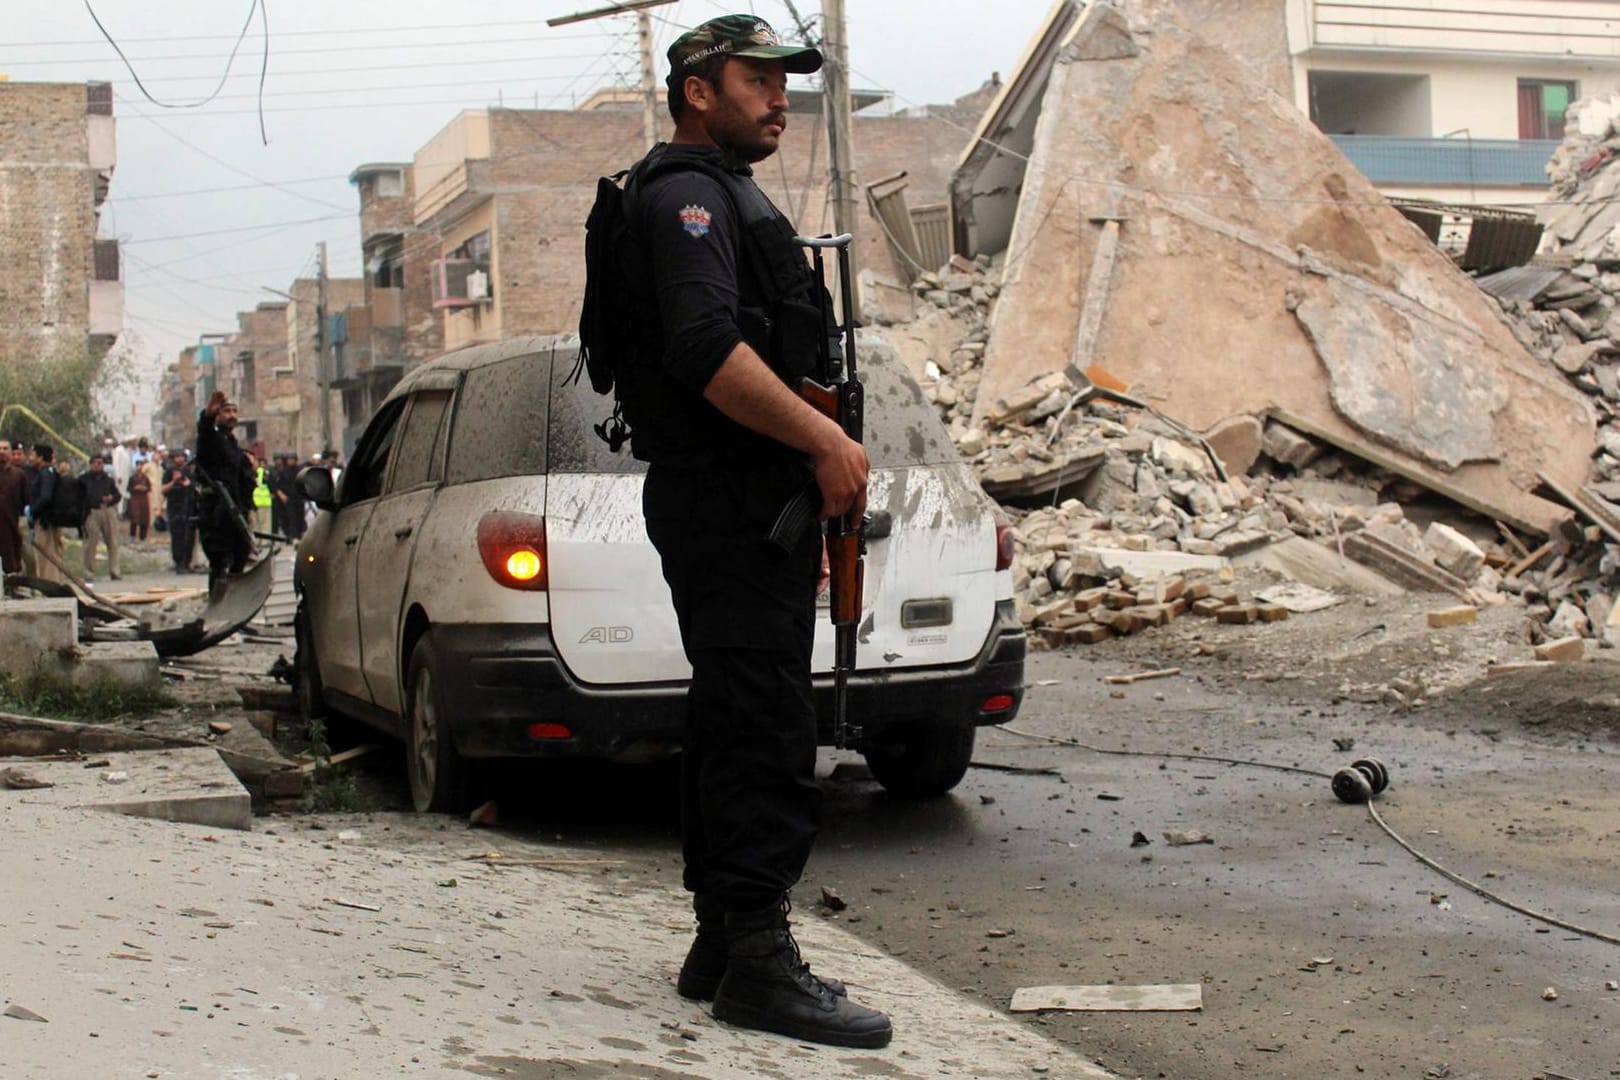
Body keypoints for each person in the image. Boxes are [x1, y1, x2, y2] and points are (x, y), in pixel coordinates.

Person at [614, 15, 886, 1049]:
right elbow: (702, 346)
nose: (779, 97)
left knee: (733, 715)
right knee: (767, 724)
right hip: (731, 502)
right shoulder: (688, 195)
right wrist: (822, 439)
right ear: (697, 89)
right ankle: (761, 959)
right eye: (756, 78)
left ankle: (722, 941)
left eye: (786, 80)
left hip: (734, 502)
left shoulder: (714, 190)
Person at [194, 392, 255, 593]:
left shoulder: (233, 445)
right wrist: (207, 415)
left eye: (234, 411)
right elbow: (204, 431)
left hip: (236, 512)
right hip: (217, 514)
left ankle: (232, 609)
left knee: (240, 558)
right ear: (218, 416)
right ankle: (217, 607)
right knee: (220, 562)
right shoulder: (211, 439)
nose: (231, 415)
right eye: (226, 411)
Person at [25, 446, 76, 585]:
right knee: (53, 555)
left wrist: (33, 510)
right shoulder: (51, 472)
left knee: (46, 558)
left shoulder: (46, 473)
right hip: (51, 520)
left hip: (45, 522)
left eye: (33, 455)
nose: (30, 458)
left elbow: (45, 497)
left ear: (40, 458)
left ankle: (49, 586)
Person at [79, 453, 122, 582]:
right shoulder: (83, 479)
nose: (99, 465)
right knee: (91, 543)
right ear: (91, 464)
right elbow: (79, 497)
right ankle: (88, 572)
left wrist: (111, 498)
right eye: (96, 463)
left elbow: (117, 495)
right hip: (92, 511)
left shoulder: (108, 479)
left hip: (107, 510)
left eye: (101, 463)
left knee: (113, 542)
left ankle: (115, 570)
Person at [160, 447, 198, 573]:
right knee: (178, 537)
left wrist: (187, 483)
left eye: (181, 456)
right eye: (177, 456)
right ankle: (179, 563)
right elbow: (163, 490)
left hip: (188, 507)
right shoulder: (169, 472)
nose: (180, 459)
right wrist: (174, 481)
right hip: (175, 508)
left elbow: (193, 487)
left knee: (189, 537)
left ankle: (187, 563)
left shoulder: (188, 471)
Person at [0, 439, 27, 585]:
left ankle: (13, 585)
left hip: (11, 524)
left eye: (5, 449)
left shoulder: (18, 475)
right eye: (0, 449)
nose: (2, 452)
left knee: (12, 558)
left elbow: (25, 501)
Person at [126, 452, 153, 542]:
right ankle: (132, 535)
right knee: (134, 518)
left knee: (144, 519)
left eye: (141, 465)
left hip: (143, 499)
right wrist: (135, 488)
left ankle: (143, 537)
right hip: (135, 499)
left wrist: (144, 488)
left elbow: (149, 488)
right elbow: (128, 488)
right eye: (138, 465)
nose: (139, 467)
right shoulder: (132, 478)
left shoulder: (145, 478)